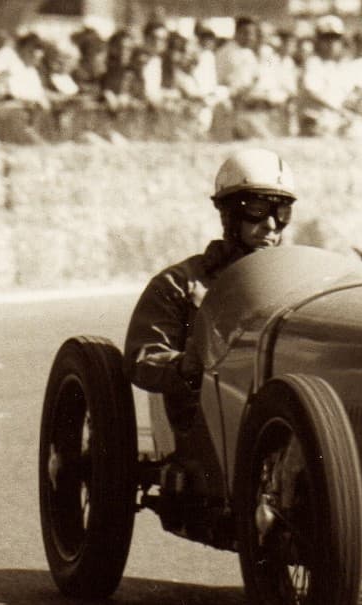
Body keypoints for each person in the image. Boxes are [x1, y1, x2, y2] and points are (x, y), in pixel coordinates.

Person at [124, 148, 297, 515]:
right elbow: (143, 358)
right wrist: (188, 366)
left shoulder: (303, 284)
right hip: (209, 423)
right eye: (257, 210)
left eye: (281, 212)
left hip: (293, 417)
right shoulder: (181, 284)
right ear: (229, 213)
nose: (271, 225)